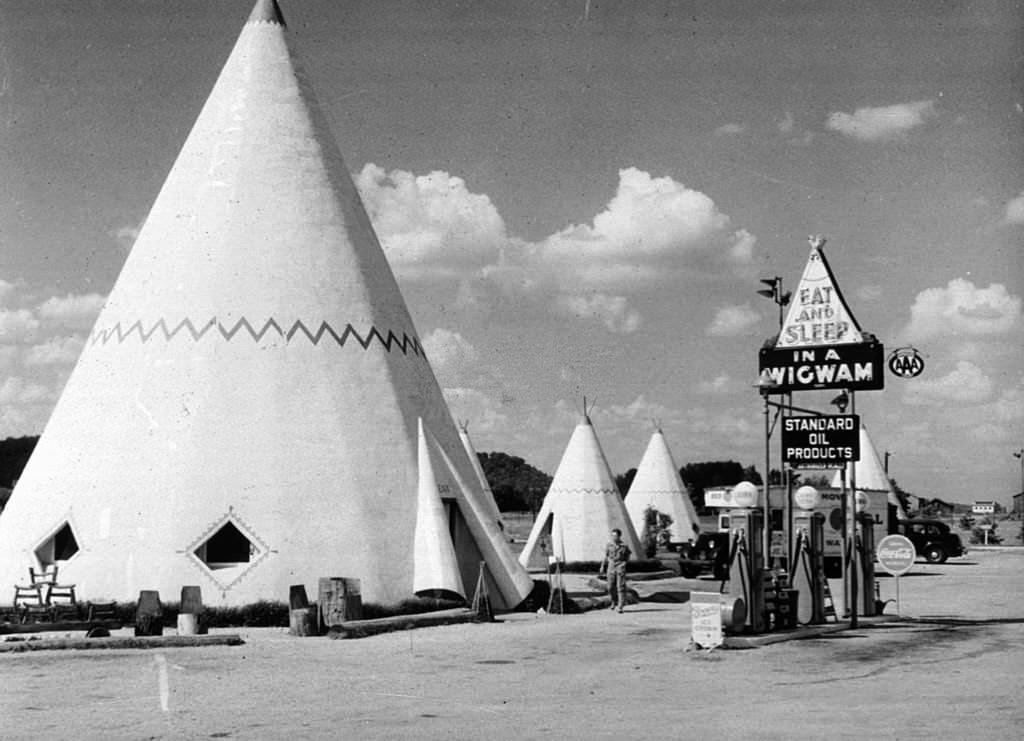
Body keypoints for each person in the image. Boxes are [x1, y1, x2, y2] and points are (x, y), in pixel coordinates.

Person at [599, 528, 631, 613]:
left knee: (620, 586)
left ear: (619, 536)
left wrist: (624, 563)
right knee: (610, 587)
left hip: (620, 566)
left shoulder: (624, 546)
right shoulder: (609, 545)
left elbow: (628, 556)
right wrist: (602, 566)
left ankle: (620, 606)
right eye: (612, 535)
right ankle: (614, 601)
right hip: (611, 566)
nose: (613, 537)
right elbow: (606, 556)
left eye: (615, 536)